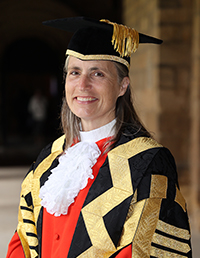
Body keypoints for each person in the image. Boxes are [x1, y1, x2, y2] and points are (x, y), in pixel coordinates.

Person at [6, 17, 192, 258]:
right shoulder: (48, 161)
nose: (83, 85)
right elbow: (22, 240)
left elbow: (143, 250)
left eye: (98, 74)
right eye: (75, 72)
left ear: (122, 86)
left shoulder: (147, 163)